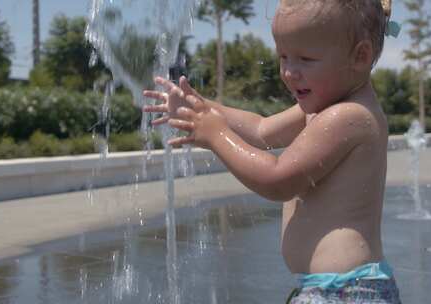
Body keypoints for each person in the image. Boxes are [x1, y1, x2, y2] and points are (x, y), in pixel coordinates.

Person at [143, 0, 402, 302]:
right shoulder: (326, 109)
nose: (289, 72)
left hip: (343, 292)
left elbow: (278, 179)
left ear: (360, 56)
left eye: (305, 59)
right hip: (331, 287)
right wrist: (202, 108)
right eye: (283, 57)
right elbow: (262, 130)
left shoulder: (349, 116)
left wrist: (216, 135)